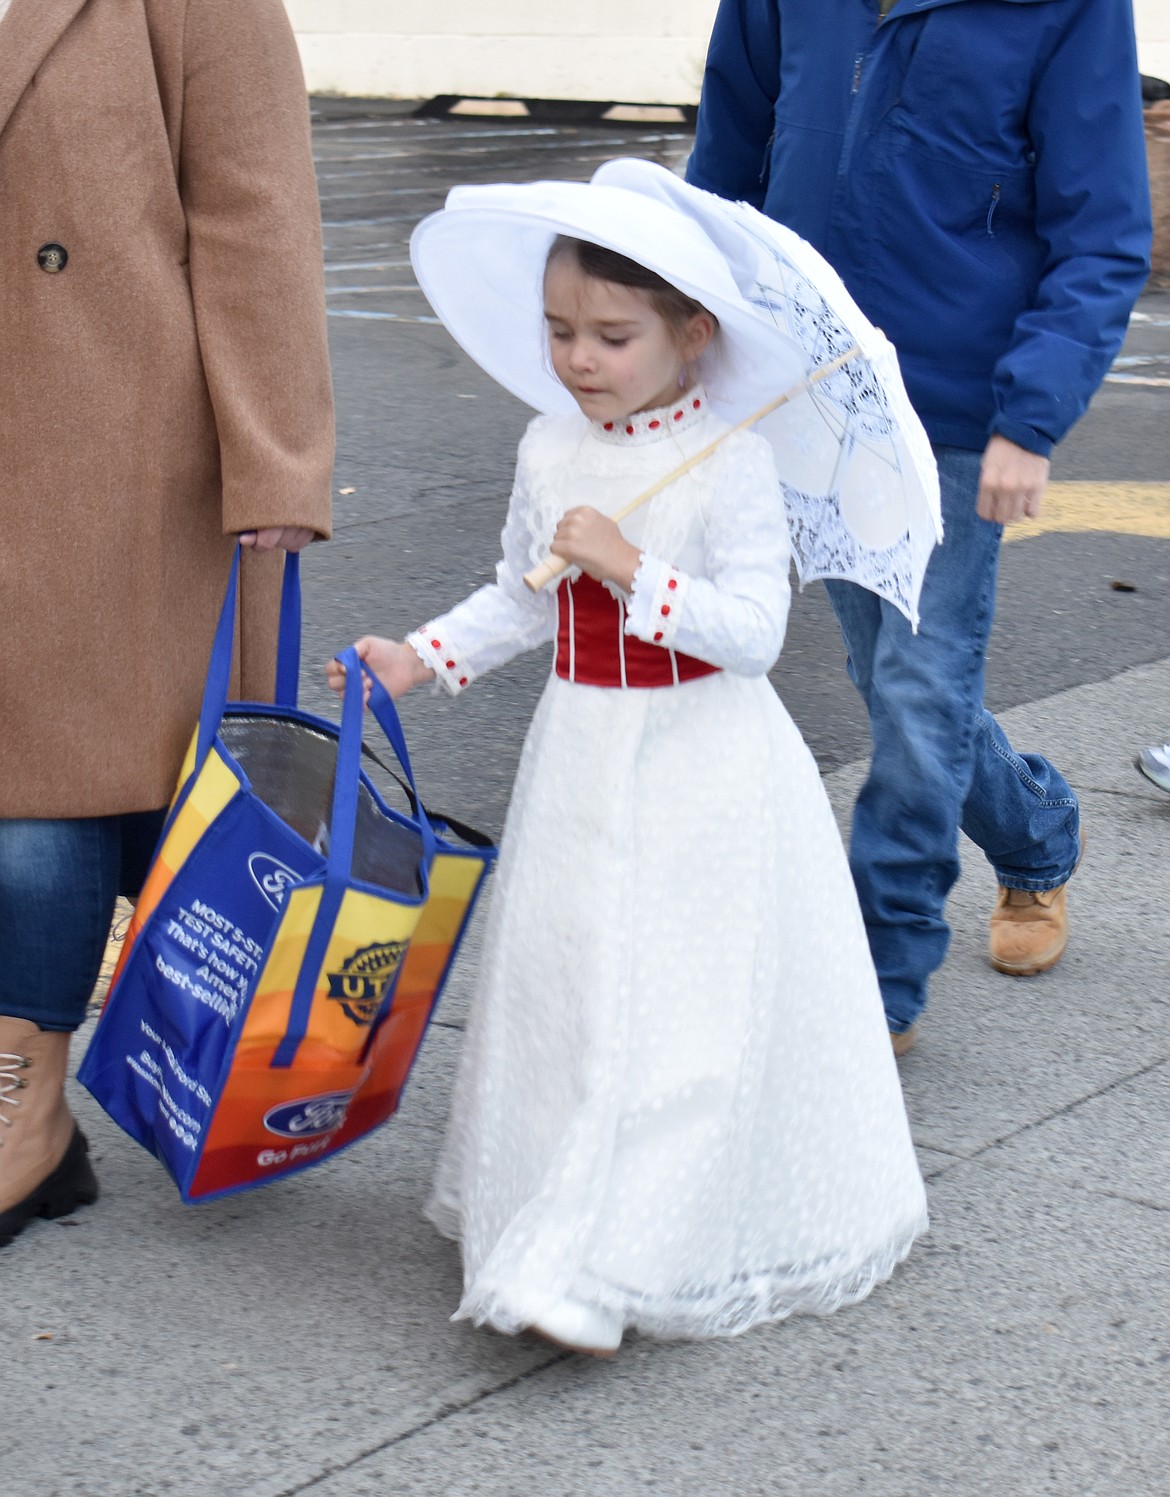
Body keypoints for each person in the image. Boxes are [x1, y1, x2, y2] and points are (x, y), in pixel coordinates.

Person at [329, 199, 928, 1355]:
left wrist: (634, 565)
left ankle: (614, 1256)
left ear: (690, 333)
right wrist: (422, 657)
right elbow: (519, 591)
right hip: (583, 754)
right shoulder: (549, 448)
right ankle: (553, 1207)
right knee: (574, 984)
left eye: (612, 335)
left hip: (706, 765)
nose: (580, 359)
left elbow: (753, 633)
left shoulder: (737, 463)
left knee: (681, 1002)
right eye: (560, 331)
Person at [687, 0, 1153, 1052]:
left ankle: (883, 976)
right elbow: (728, 152)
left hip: (952, 408)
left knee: (916, 687)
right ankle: (1037, 837)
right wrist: (685, 336)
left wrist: (1032, 414)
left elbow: (1102, 231)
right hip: (803, 397)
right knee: (900, 682)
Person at [0, 0, 334, 1249]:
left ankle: (24, 1095)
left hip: (119, 446)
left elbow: (258, 217)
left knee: (47, 781)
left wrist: (280, 462)